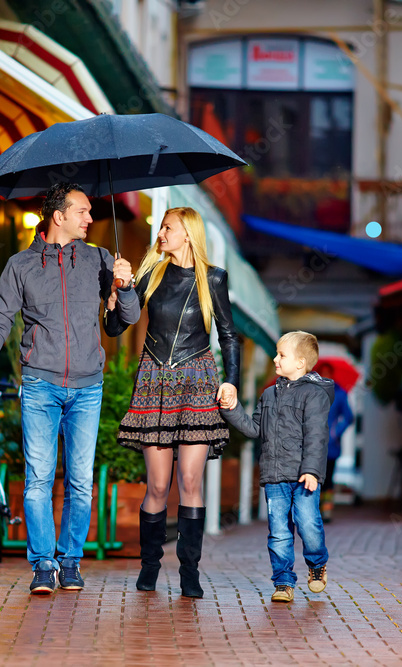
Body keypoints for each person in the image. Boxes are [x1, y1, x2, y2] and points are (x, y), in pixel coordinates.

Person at [0, 182, 139, 595]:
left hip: (87, 387)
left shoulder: (100, 259)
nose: (90, 218)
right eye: (82, 211)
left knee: (81, 481)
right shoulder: (21, 266)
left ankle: (71, 561)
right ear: (58, 216)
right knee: (39, 479)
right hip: (41, 383)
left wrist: (125, 286)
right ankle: (43, 564)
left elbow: (123, 322)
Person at [104, 207, 239, 598]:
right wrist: (119, 293)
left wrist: (230, 381)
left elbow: (229, 335)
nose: (160, 233)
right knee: (159, 485)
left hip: (196, 380)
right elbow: (115, 329)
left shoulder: (213, 278)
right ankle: (149, 567)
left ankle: (189, 572)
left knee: (190, 480)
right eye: (161, 227)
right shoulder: (150, 274)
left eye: (167, 228)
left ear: (187, 235)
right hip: (154, 381)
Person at [219, 331, 333, 603]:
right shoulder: (269, 394)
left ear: (301, 363)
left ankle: (317, 564)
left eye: (282, 355)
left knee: (308, 524)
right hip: (274, 476)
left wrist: (312, 471)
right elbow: (254, 428)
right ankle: (283, 582)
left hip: (305, 476)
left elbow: (317, 435)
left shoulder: (314, 396)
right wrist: (231, 408)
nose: (275, 359)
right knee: (279, 532)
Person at [320, 380, 353, 522]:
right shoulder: (310, 391)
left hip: (330, 444)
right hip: (310, 442)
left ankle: (326, 510)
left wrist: (336, 432)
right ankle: (313, 509)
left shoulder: (339, 394)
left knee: (327, 479)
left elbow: (349, 417)